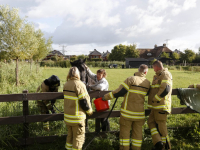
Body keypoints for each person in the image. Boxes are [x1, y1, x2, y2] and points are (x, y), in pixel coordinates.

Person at [102, 64, 150, 150]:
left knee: (125, 135)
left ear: (138, 70)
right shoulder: (147, 83)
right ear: (145, 72)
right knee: (137, 135)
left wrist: (106, 97)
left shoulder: (131, 79)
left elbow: (119, 92)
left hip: (127, 113)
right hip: (139, 115)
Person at [63, 67, 93, 150]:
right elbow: (83, 101)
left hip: (68, 117)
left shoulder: (66, 84)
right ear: (77, 74)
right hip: (77, 117)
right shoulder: (79, 84)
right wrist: (89, 111)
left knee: (70, 136)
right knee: (78, 138)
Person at [147, 60, 172, 150]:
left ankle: (167, 147)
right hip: (155, 106)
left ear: (156, 66)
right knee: (150, 122)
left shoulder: (165, 74)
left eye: (153, 67)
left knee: (162, 128)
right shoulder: (157, 75)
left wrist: (156, 99)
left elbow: (166, 88)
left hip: (161, 106)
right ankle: (158, 143)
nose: (153, 69)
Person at [84, 65, 110, 131]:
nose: (98, 75)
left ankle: (106, 132)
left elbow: (100, 87)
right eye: (97, 74)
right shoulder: (96, 77)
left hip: (104, 102)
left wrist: (90, 86)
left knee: (103, 117)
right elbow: (91, 74)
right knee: (100, 116)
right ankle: (102, 131)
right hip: (99, 101)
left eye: (100, 74)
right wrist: (87, 68)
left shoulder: (104, 81)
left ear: (103, 75)